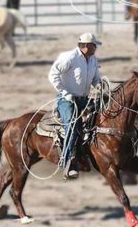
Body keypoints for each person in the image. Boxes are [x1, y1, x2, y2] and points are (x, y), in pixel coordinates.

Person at [48, 33, 102, 179]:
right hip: (67, 100)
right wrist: (65, 93)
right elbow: (53, 74)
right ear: (86, 46)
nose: (96, 47)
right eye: (94, 45)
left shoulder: (92, 60)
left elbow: (96, 78)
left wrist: (101, 85)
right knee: (72, 125)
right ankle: (68, 163)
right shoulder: (70, 57)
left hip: (84, 99)